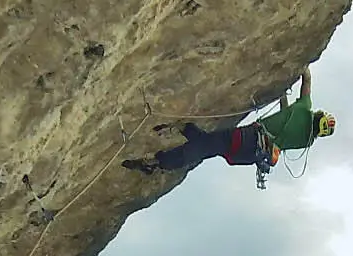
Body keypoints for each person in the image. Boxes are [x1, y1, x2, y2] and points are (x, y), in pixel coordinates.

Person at [124, 67, 336, 185]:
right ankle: (179, 133)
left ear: (318, 116)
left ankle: (159, 160)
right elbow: (286, 120)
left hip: (247, 138)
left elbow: (306, 80)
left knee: (204, 147)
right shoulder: (303, 142)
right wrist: (282, 98)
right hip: (248, 154)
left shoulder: (304, 108)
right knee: (209, 145)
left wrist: (302, 64)